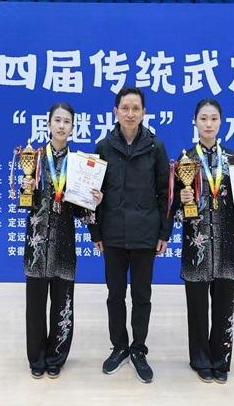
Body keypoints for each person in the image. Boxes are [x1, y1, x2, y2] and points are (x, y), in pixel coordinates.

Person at [175, 99, 234, 384]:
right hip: (197, 245)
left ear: (221, 122)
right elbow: (175, 209)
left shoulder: (231, 159)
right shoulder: (185, 159)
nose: (209, 124)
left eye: (214, 118)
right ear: (195, 121)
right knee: (197, 309)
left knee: (225, 306)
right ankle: (201, 360)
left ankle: (220, 360)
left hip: (226, 244)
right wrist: (182, 201)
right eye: (203, 118)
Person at [88, 86, 173, 384]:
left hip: (145, 233)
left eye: (136, 108)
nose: (130, 113)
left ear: (144, 113)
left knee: (141, 295)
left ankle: (138, 349)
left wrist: (164, 232)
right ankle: (119, 347)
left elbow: (165, 193)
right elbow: (92, 193)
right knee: (115, 295)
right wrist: (95, 231)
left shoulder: (155, 146)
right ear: (115, 111)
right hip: (112, 233)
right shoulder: (103, 147)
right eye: (125, 108)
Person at [19, 102, 102, 380]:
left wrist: (93, 201)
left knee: (63, 302)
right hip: (37, 243)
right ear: (49, 124)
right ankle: (36, 357)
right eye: (57, 120)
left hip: (65, 243)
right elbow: (23, 203)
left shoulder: (78, 164)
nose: (62, 126)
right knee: (35, 305)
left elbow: (81, 211)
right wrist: (27, 189)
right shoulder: (34, 158)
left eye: (67, 122)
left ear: (73, 127)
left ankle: (56, 356)